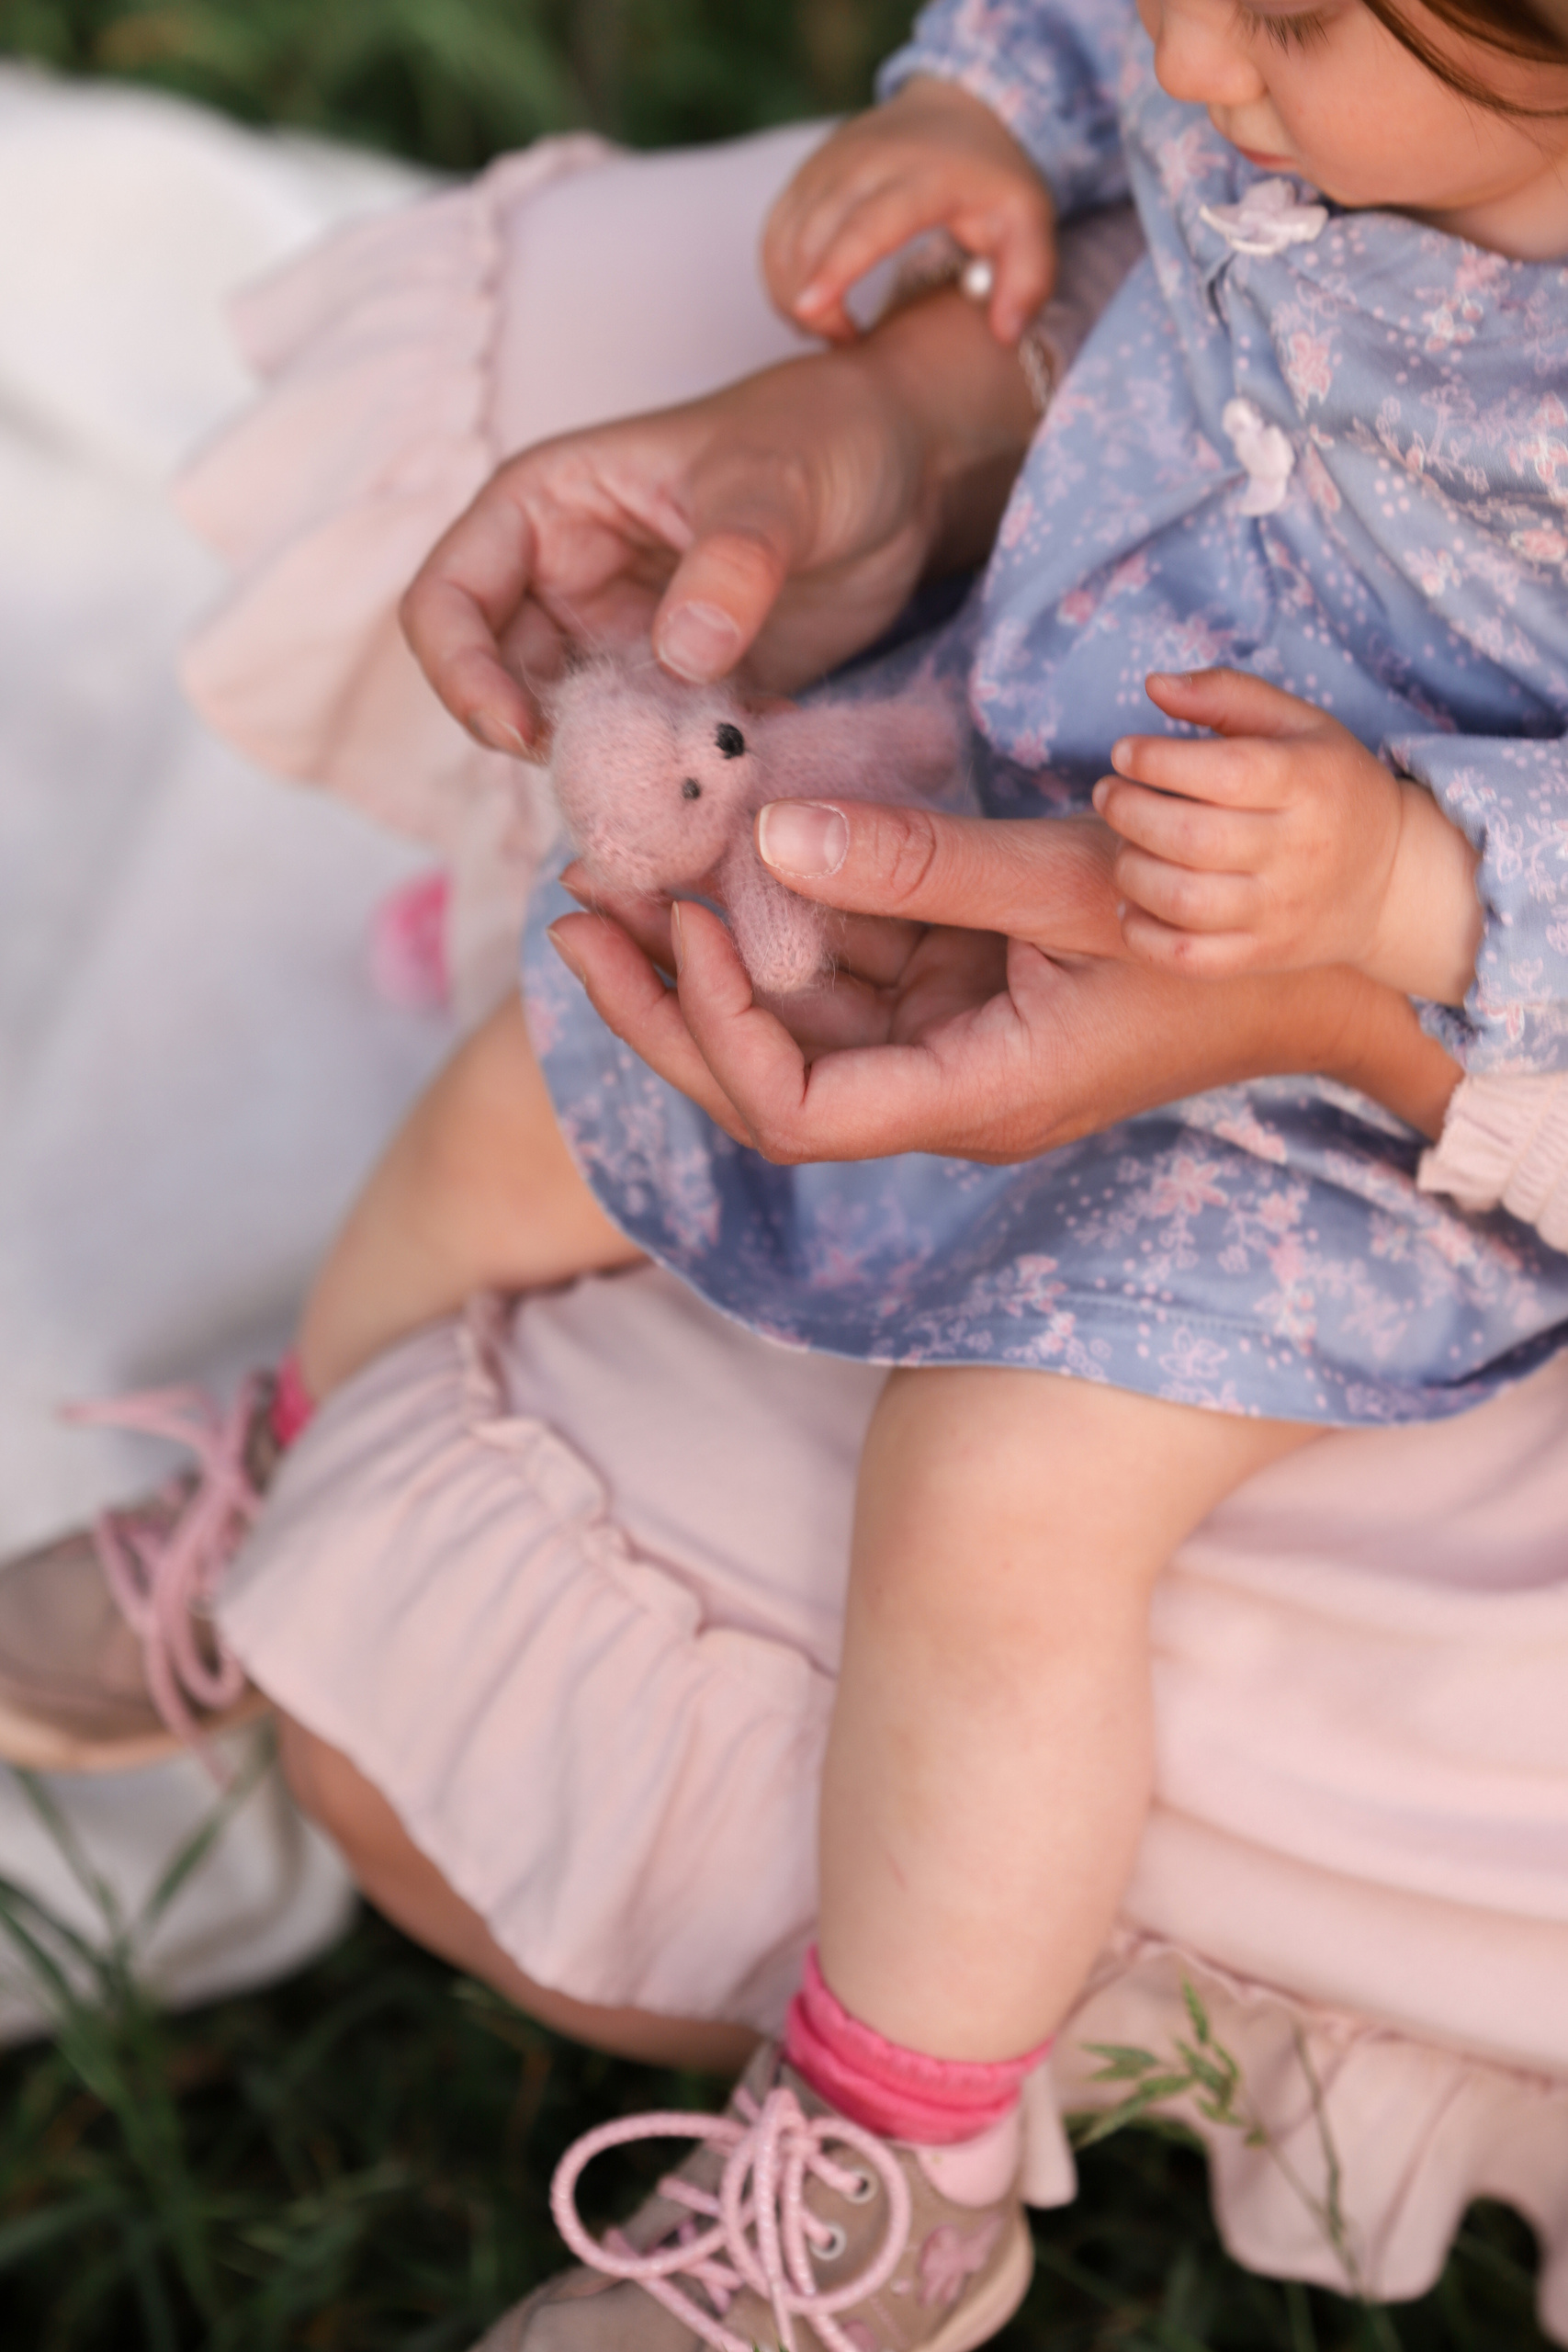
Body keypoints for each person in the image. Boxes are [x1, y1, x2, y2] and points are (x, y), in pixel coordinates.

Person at [5, 3, 1568, 2348]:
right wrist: (970, 114)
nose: (1191, 45)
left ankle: (886, 2177)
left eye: (1287, 17)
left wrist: (1395, 892)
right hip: (1035, 742)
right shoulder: (1257, 45)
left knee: (1001, 1480)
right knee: (552, 1058)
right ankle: (295, 1471)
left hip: (1369, 1094)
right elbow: (1083, 45)